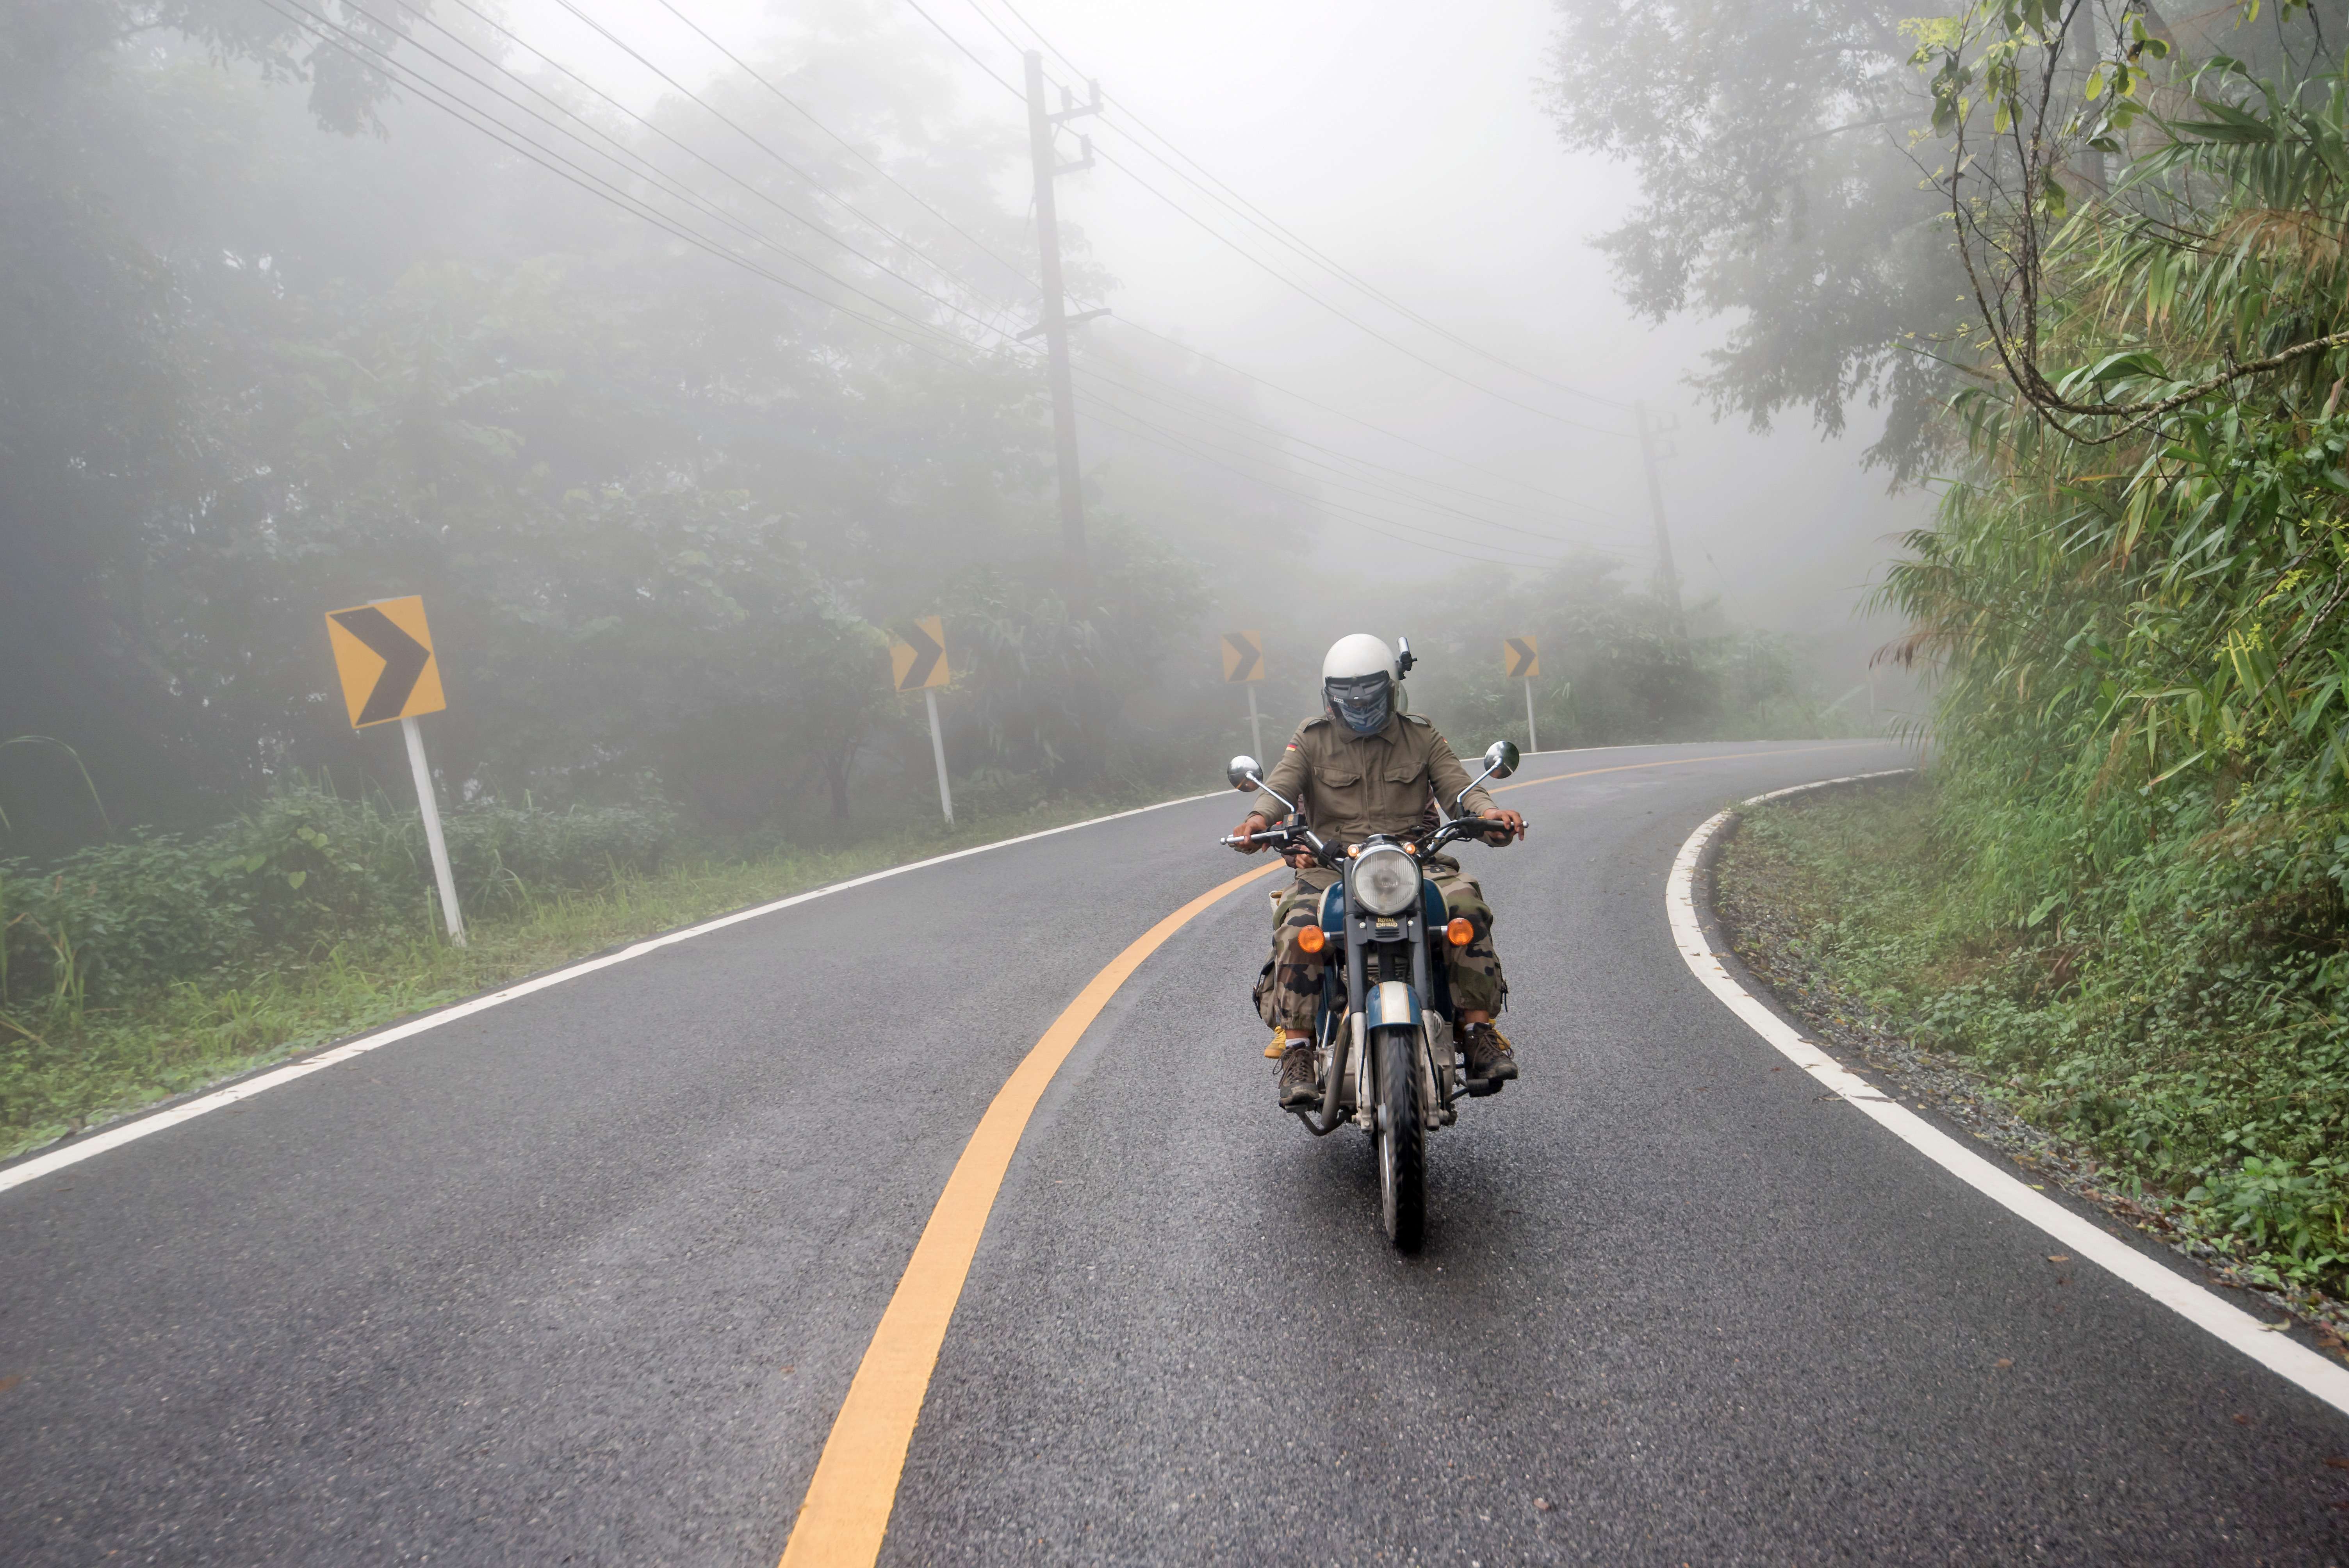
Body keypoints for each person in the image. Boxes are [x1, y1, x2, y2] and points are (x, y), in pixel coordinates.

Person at [1228, 633, 1526, 1108]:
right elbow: (1278, 787)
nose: (1360, 705)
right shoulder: (1311, 740)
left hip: (1417, 858)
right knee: (1298, 924)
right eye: (1348, 697)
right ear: (1331, 697)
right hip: (1334, 865)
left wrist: (1490, 814)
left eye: (1370, 694)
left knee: (1465, 906)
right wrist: (1257, 821)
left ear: (1391, 688)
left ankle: (1476, 1030)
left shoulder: (1421, 735)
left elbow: (1458, 788)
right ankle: (1299, 1050)